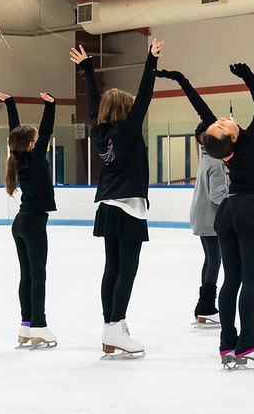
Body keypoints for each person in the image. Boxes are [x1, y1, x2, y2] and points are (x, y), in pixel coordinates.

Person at [155, 63, 254, 370]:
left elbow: (202, 110)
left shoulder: (222, 146)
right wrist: (248, 76)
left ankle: (227, 345)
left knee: (232, 278)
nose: (222, 120)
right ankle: (248, 343)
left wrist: (182, 79)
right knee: (250, 280)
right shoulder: (248, 140)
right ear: (232, 137)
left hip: (228, 213)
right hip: (251, 209)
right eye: (222, 125)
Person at [69, 38, 164, 359]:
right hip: (129, 207)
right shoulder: (128, 128)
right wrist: (150, 61)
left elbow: (94, 105)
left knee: (112, 266)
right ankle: (116, 326)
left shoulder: (98, 129)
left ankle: (110, 329)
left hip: (107, 206)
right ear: (126, 110)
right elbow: (146, 95)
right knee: (127, 269)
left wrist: (87, 69)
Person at [0, 90, 57, 349]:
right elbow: (46, 130)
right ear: (32, 145)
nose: (39, 140)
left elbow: (15, 131)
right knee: (37, 275)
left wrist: (10, 103)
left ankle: (25, 326)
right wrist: (50, 106)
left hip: (21, 222)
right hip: (33, 222)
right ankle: (39, 325)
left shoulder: (18, 158)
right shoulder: (36, 157)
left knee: (27, 275)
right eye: (36, 139)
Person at [190, 121, 228, 326]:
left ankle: (202, 306)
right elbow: (217, 195)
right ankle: (206, 307)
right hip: (210, 217)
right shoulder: (215, 161)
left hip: (202, 215)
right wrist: (233, 200)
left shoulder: (205, 158)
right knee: (215, 259)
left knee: (210, 259)